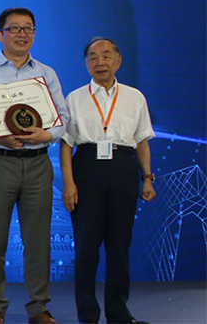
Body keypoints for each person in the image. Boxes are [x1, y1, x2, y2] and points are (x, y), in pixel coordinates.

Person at [0, 7, 70, 324]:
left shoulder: (46, 74)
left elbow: (63, 118)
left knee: (38, 240)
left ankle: (39, 306)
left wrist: (47, 134)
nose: (22, 34)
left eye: (28, 28)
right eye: (14, 28)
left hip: (38, 162)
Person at [61, 38, 156, 324]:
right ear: (86, 63)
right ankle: (87, 314)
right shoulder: (75, 98)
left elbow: (142, 141)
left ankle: (118, 312)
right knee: (86, 247)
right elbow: (66, 144)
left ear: (118, 60)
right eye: (93, 57)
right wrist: (69, 183)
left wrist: (147, 178)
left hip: (123, 168)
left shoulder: (134, 97)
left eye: (106, 55)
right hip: (87, 167)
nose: (99, 62)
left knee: (119, 245)